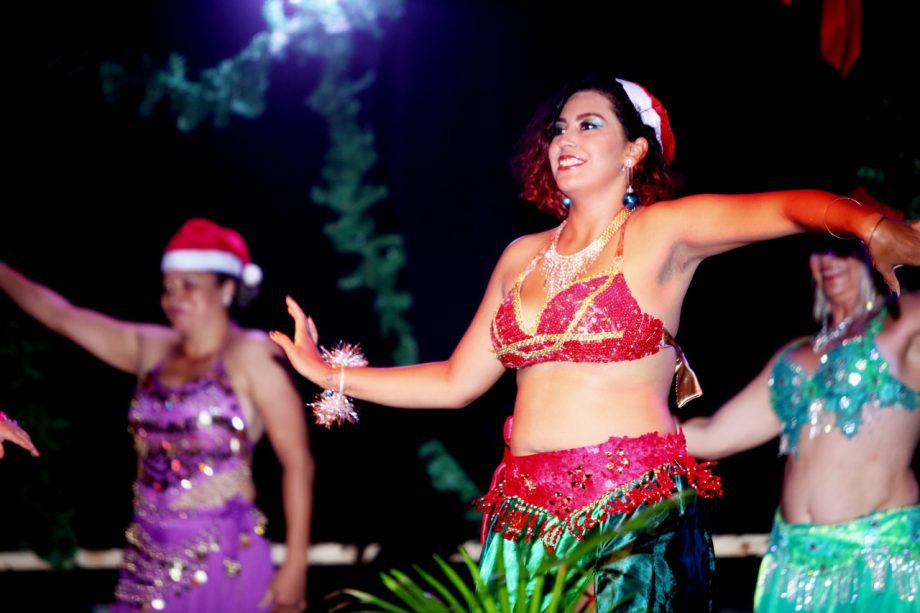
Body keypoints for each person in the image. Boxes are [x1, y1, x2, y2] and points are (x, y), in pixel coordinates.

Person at [270, 75, 920, 610]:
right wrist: (331, 373)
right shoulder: (520, 256)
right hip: (522, 517)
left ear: (635, 150)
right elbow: (455, 381)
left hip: (628, 511)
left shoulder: (661, 232)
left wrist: (867, 223)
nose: (564, 139)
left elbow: (784, 208)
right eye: (558, 128)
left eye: (589, 125)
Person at [0, 218, 313, 612]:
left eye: (190, 285)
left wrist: (296, 562)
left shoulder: (252, 354)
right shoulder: (151, 348)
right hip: (147, 554)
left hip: (224, 558)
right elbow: (60, 315)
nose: (174, 297)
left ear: (228, 288)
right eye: (168, 287)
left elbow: (297, 463)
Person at [681, 240, 919, 612]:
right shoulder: (795, 356)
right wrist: (618, 430)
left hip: (878, 562)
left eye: (845, 248)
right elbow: (712, 435)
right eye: (820, 249)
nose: (830, 260)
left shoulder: (903, 324)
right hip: (790, 566)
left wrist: (899, 238)